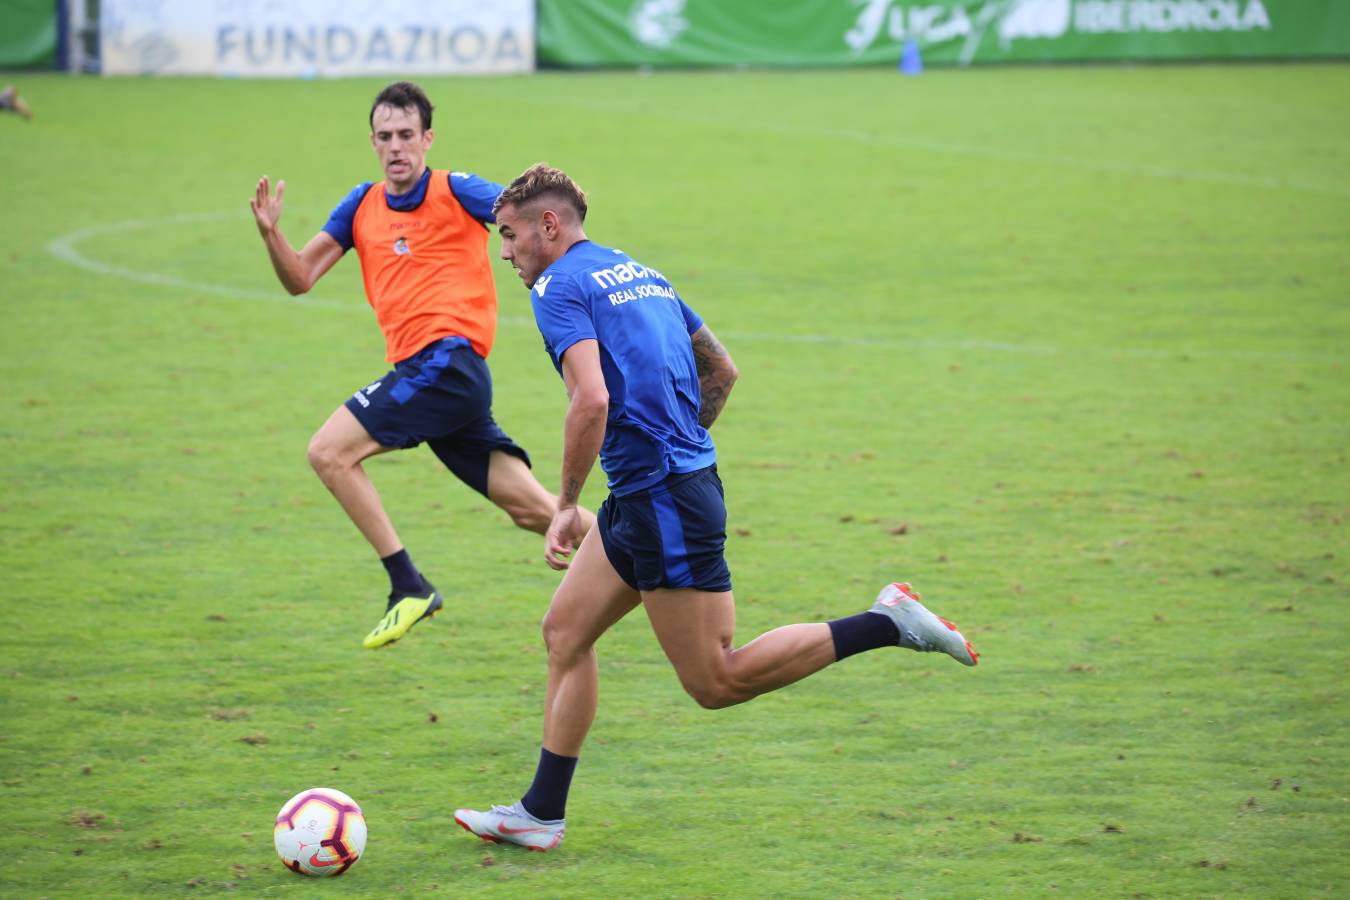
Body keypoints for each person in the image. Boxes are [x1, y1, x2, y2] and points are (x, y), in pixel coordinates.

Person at [453, 163, 978, 852]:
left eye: (511, 234)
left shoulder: (557, 285)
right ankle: (540, 813)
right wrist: (679, 447)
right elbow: (722, 369)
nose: (505, 250)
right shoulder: (640, 271)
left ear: (549, 227)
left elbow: (592, 399)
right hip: (655, 490)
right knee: (564, 634)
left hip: (662, 497)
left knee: (717, 679)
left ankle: (887, 622)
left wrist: (567, 503)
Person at [249, 83, 591, 650]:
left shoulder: (455, 191)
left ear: (427, 138)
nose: (396, 147)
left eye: (407, 135)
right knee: (536, 512)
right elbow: (300, 278)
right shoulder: (361, 206)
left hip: (447, 364)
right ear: (373, 143)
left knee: (329, 452)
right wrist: (271, 235)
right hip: (434, 381)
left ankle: (407, 585)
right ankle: (645, 553)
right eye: (385, 137)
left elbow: (527, 217)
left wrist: (578, 269)